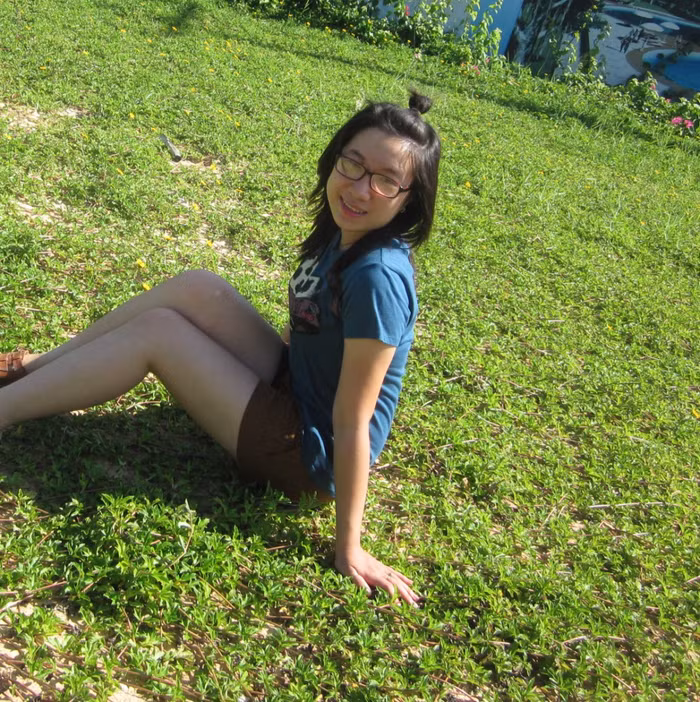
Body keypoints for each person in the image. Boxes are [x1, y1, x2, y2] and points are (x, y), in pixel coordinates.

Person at [0, 91, 441, 606]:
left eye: (385, 180)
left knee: (160, 333)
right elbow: (308, 328)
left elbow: (352, 420)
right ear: (336, 155)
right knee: (198, 287)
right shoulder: (344, 231)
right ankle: (29, 369)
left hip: (308, 455)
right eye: (354, 163)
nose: (360, 187)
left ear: (409, 198)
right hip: (295, 387)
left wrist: (350, 547)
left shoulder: (378, 276)